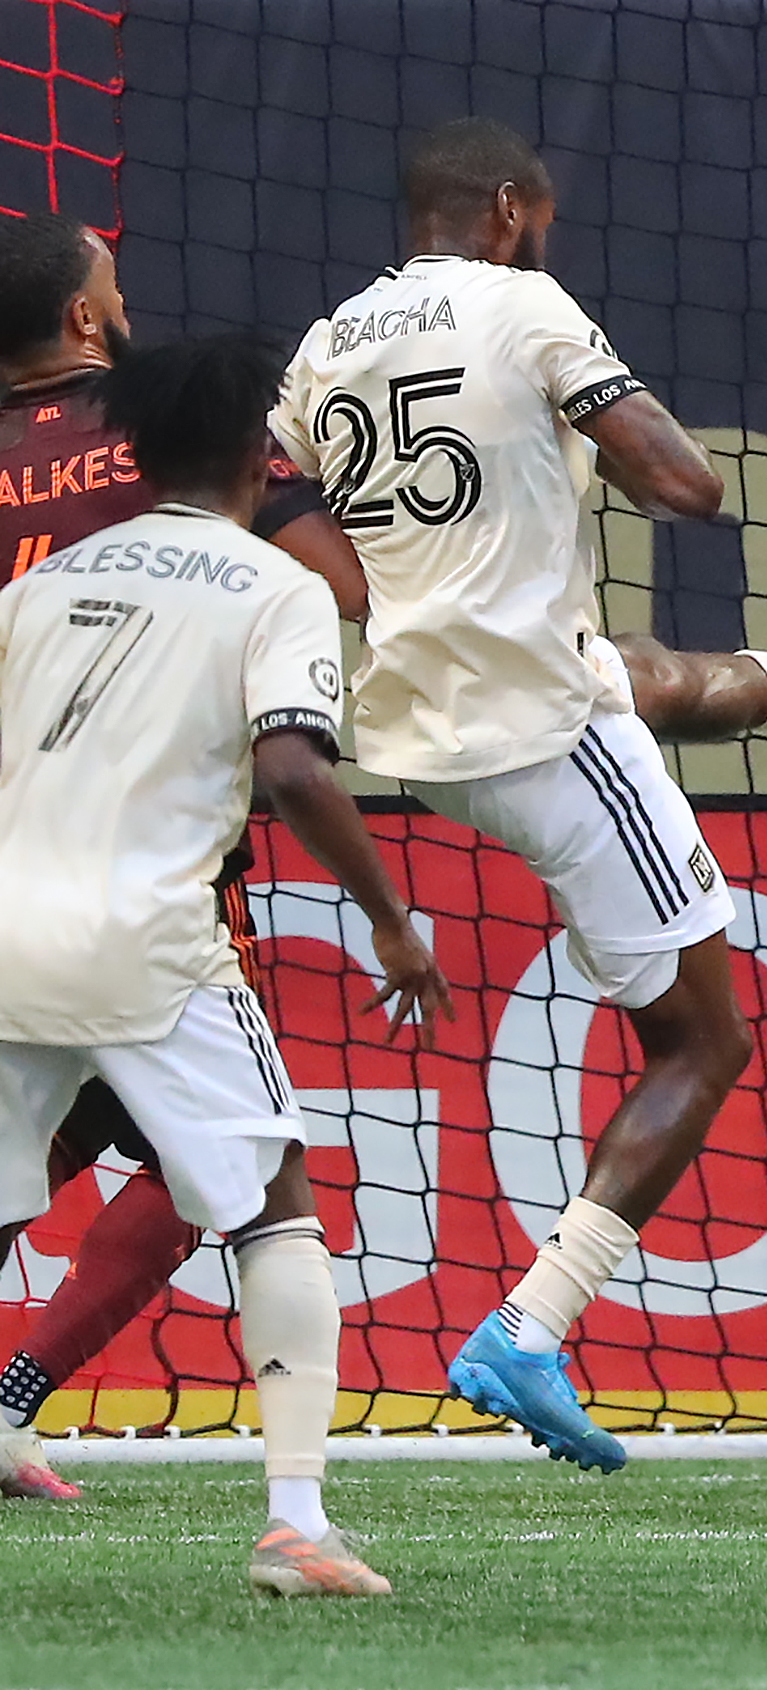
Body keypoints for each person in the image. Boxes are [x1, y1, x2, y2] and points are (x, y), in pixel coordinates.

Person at [0, 196, 767, 1494]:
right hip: (167, 863)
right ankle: (300, 1508)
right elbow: (335, 619)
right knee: (257, 1182)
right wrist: (384, 912)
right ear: (91, 318)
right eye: (115, 287)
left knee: (62, 1144)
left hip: (21, 857)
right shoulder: (158, 442)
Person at [270, 117, 767, 1473]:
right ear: (509, 208)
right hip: (537, 735)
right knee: (708, 1042)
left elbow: (278, 514)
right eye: (540, 217)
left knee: (637, 669)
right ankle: (529, 1327)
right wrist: (601, 433)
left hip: (415, 721)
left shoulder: (330, 340)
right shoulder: (527, 306)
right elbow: (691, 482)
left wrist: (406, 581)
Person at [0, 334, 452, 1593]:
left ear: (135, 452)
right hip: (153, 941)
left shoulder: (39, 586)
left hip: (6, 932)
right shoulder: (274, 587)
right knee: (274, 1203)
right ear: (262, 457)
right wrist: (391, 919)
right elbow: (296, 765)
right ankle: (295, 1524)